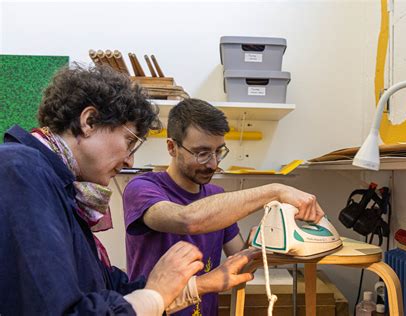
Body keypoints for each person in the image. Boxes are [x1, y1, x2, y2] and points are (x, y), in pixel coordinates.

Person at [0, 65, 256, 316]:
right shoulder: (20, 169)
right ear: (89, 121)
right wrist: (155, 294)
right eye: (130, 141)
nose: (130, 162)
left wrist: (192, 286)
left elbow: (106, 287)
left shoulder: (60, 186)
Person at [123, 98, 326, 316]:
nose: (213, 163)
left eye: (219, 151)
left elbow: (239, 254)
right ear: (172, 147)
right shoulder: (142, 188)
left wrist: (271, 238)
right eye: (202, 153)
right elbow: (187, 219)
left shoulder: (216, 196)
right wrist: (274, 190)